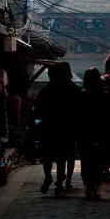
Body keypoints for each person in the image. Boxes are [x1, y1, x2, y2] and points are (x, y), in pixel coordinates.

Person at [33, 62, 81, 196]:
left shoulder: (46, 90)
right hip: (68, 128)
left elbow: (38, 111)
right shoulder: (74, 89)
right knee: (62, 157)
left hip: (48, 127)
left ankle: (48, 176)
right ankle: (60, 183)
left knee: (47, 155)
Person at [77, 67, 110, 200]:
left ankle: (88, 185)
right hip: (101, 133)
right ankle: (96, 186)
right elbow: (109, 117)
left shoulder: (81, 95)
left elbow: (77, 116)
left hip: (85, 133)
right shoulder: (105, 95)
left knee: (86, 161)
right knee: (99, 161)